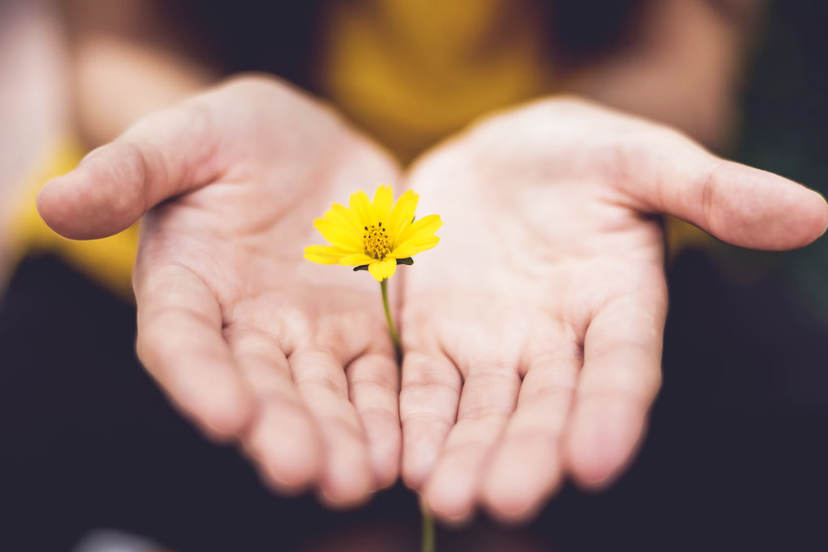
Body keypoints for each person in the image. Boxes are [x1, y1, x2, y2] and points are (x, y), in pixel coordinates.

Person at [4, 0, 827, 539]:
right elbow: (112, 37)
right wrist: (183, 138)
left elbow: (688, 45)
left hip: (567, 253)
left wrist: (600, 135)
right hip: (215, 245)